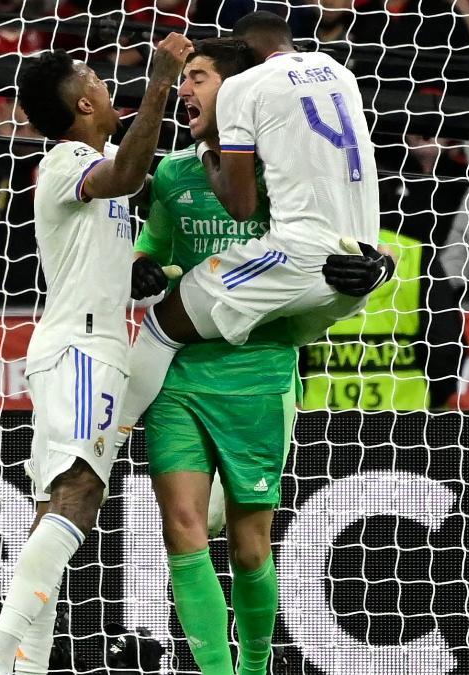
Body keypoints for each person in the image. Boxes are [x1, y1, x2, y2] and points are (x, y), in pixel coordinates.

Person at [126, 38, 393, 675]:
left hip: (260, 373)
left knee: (250, 546)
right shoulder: (172, 173)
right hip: (181, 376)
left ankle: (255, 667)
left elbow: (332, 239)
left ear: (239, 88)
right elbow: (151, 244)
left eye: (199, 77)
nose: (186, 90)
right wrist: (140, 266)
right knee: (182, 528)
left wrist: (376, 265)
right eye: (182, 78)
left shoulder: (285, 171)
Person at [0, 33, 195, 675]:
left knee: (53, 512)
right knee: (78, 498)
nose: (104, 81)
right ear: (85, 102)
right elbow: (126, 175)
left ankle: (25, 667)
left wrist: (139, 267)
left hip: (86, 346)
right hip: (81, 348)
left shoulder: (108, 155)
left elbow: (129, 196)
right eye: (95, 75)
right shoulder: (65, 160)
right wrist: (160, 82)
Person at [117, 11, 391, 435]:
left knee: (159, 326)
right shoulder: (338, 73)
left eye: (199, 78)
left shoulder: (245, 87)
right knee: (280, 336)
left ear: (242, 55)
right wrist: (384, 265)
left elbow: (241, 206)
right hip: (355, 274)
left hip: (297, 261)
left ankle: (103, 445)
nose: (186, 90)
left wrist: (210, 158)